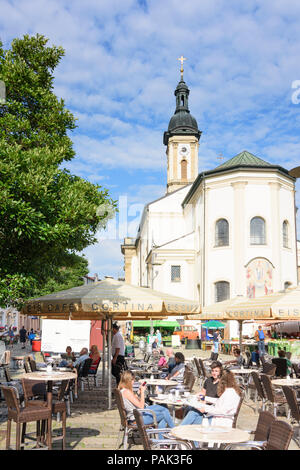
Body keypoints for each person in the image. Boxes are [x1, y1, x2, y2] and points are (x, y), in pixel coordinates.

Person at [118, 370, 174, 438]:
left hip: (137, 414)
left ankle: (162, 441)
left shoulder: (122, 390)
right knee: (165, 414)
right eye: (132, 380)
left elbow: (135, 401)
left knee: (164, 407)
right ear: (128, 381)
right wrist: (142, 393)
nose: (133, 382)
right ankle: (174, 432)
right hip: (136, 419)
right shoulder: (127, 392)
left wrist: (138, 393)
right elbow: (141, 406)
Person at [181, 361, 223, 425]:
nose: (214, 373)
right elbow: (203, 392)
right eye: (213, 371)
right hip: (203, 405)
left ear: (220, 372)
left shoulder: (222, 384)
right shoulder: (208, 380)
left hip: (212, 409)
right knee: (188, 407)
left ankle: (180, 429)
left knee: (193, 412)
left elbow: (220, 401)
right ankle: (184, 429)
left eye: (216, 371)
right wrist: (193, 396)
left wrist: (205, 401)